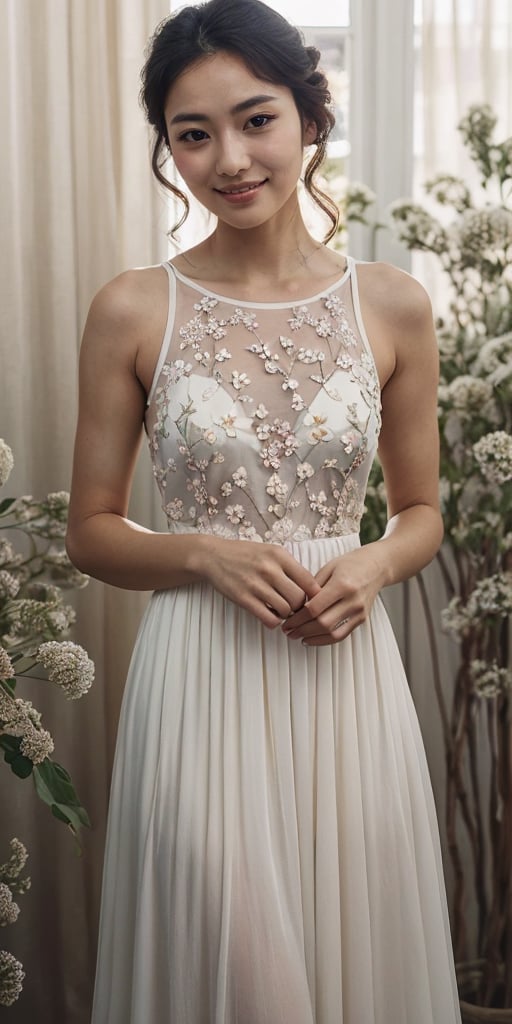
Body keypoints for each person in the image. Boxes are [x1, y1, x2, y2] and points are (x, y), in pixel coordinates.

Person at [66, 0, 462, 1020]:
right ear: (168, 149)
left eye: (255, 119)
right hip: (199, 678)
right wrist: (200, 554)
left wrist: (371, 564)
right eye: (192, 134)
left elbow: (420, 507)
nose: (229, 158)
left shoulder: (391, 303)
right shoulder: (131, 307)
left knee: (348, 960)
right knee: (234, 968)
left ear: (308, 117)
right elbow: (92, 530)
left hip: (344, 675)